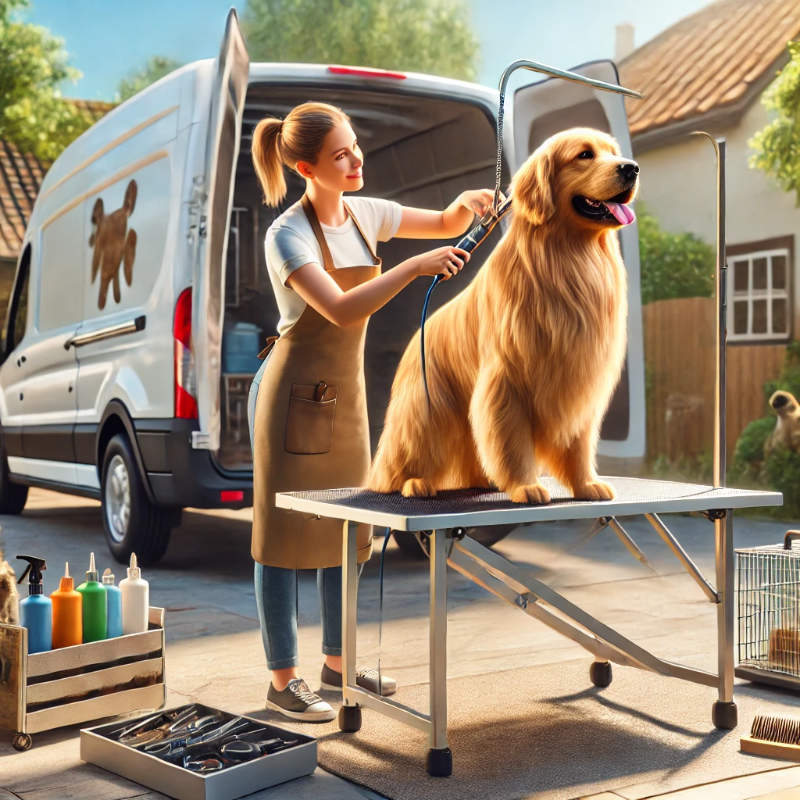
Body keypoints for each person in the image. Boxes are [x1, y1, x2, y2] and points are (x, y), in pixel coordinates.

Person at [248, 101, 497, 722]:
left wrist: (466, 206)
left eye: (355, 146)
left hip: (348, 399)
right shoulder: (288, 235)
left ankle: (339, 665)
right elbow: (338, 309)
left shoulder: (367, 213)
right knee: (280, 539)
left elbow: (440, 222)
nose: (356, 159)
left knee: (349, 532)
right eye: (340, 154)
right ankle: (283, 681)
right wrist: (413, 267)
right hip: (291, 398)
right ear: (307, 166)